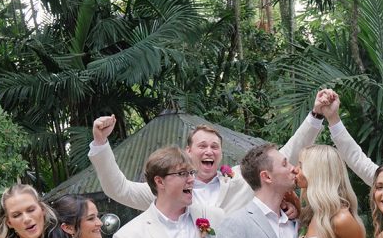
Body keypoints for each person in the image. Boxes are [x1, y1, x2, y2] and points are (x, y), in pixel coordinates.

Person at [87, 91, 330, 215]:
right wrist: (100, 143)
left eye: (215, 147)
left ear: (221, 154)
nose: (209, 151)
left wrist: (316, 115)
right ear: (188, 151)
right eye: (202, 146)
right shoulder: (166, 189)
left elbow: (287, 153)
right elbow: (118, 189)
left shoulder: (241, 178)